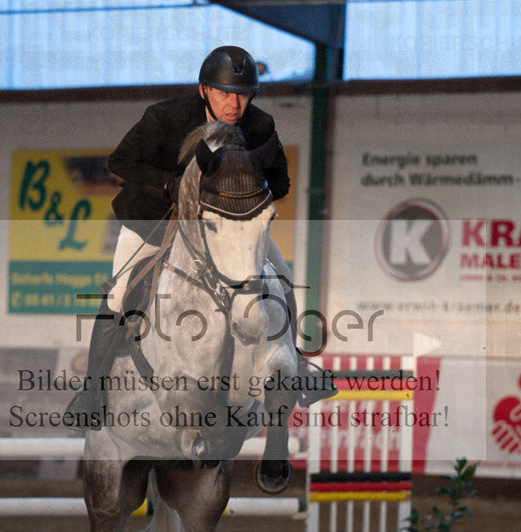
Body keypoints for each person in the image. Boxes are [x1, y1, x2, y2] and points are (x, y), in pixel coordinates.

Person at [65, 45, 336, 431]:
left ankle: (298, 364)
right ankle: (92, 393)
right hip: (154, 218)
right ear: (203, 90)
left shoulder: (260, 127)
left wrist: (240, 197)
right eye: (224, 93)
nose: (234, 103)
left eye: (242, 95)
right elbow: (119, 162)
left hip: (222, 228)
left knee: (281, 277)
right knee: (120, 293)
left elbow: (281, 183)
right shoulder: (164, 118)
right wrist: (169, 184)